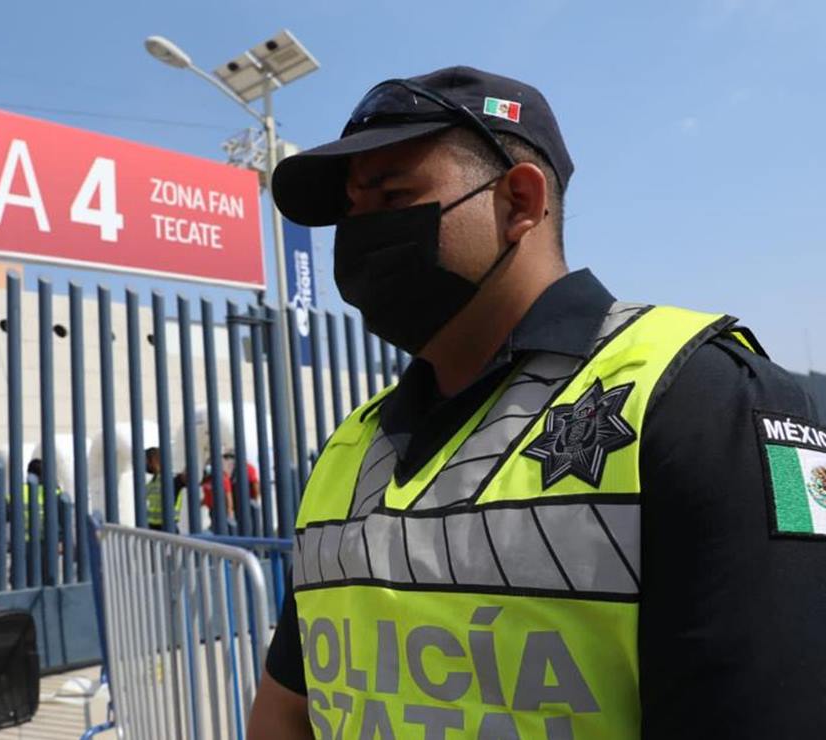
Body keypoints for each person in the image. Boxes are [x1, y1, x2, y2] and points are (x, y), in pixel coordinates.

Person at [249, 66, 826, 738]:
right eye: (351, 211)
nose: (358, 234)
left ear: (518, 201)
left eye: (390, 195)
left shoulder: (711, 401)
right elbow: (288, 705)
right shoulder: (350, 445)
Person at [201, 451, 260, 534]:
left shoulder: (247, 469)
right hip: (222, 507)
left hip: (242, 504)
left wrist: (255, 499)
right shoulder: (220, 475)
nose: (228, 462)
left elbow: (255, 485)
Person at [143, 446, 187, 531]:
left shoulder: (173, 479)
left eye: (145, 461)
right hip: (153, 528)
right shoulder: (152, 481)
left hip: (168, 527)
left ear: (154, 461)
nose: (144, 464)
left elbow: (185, 477)